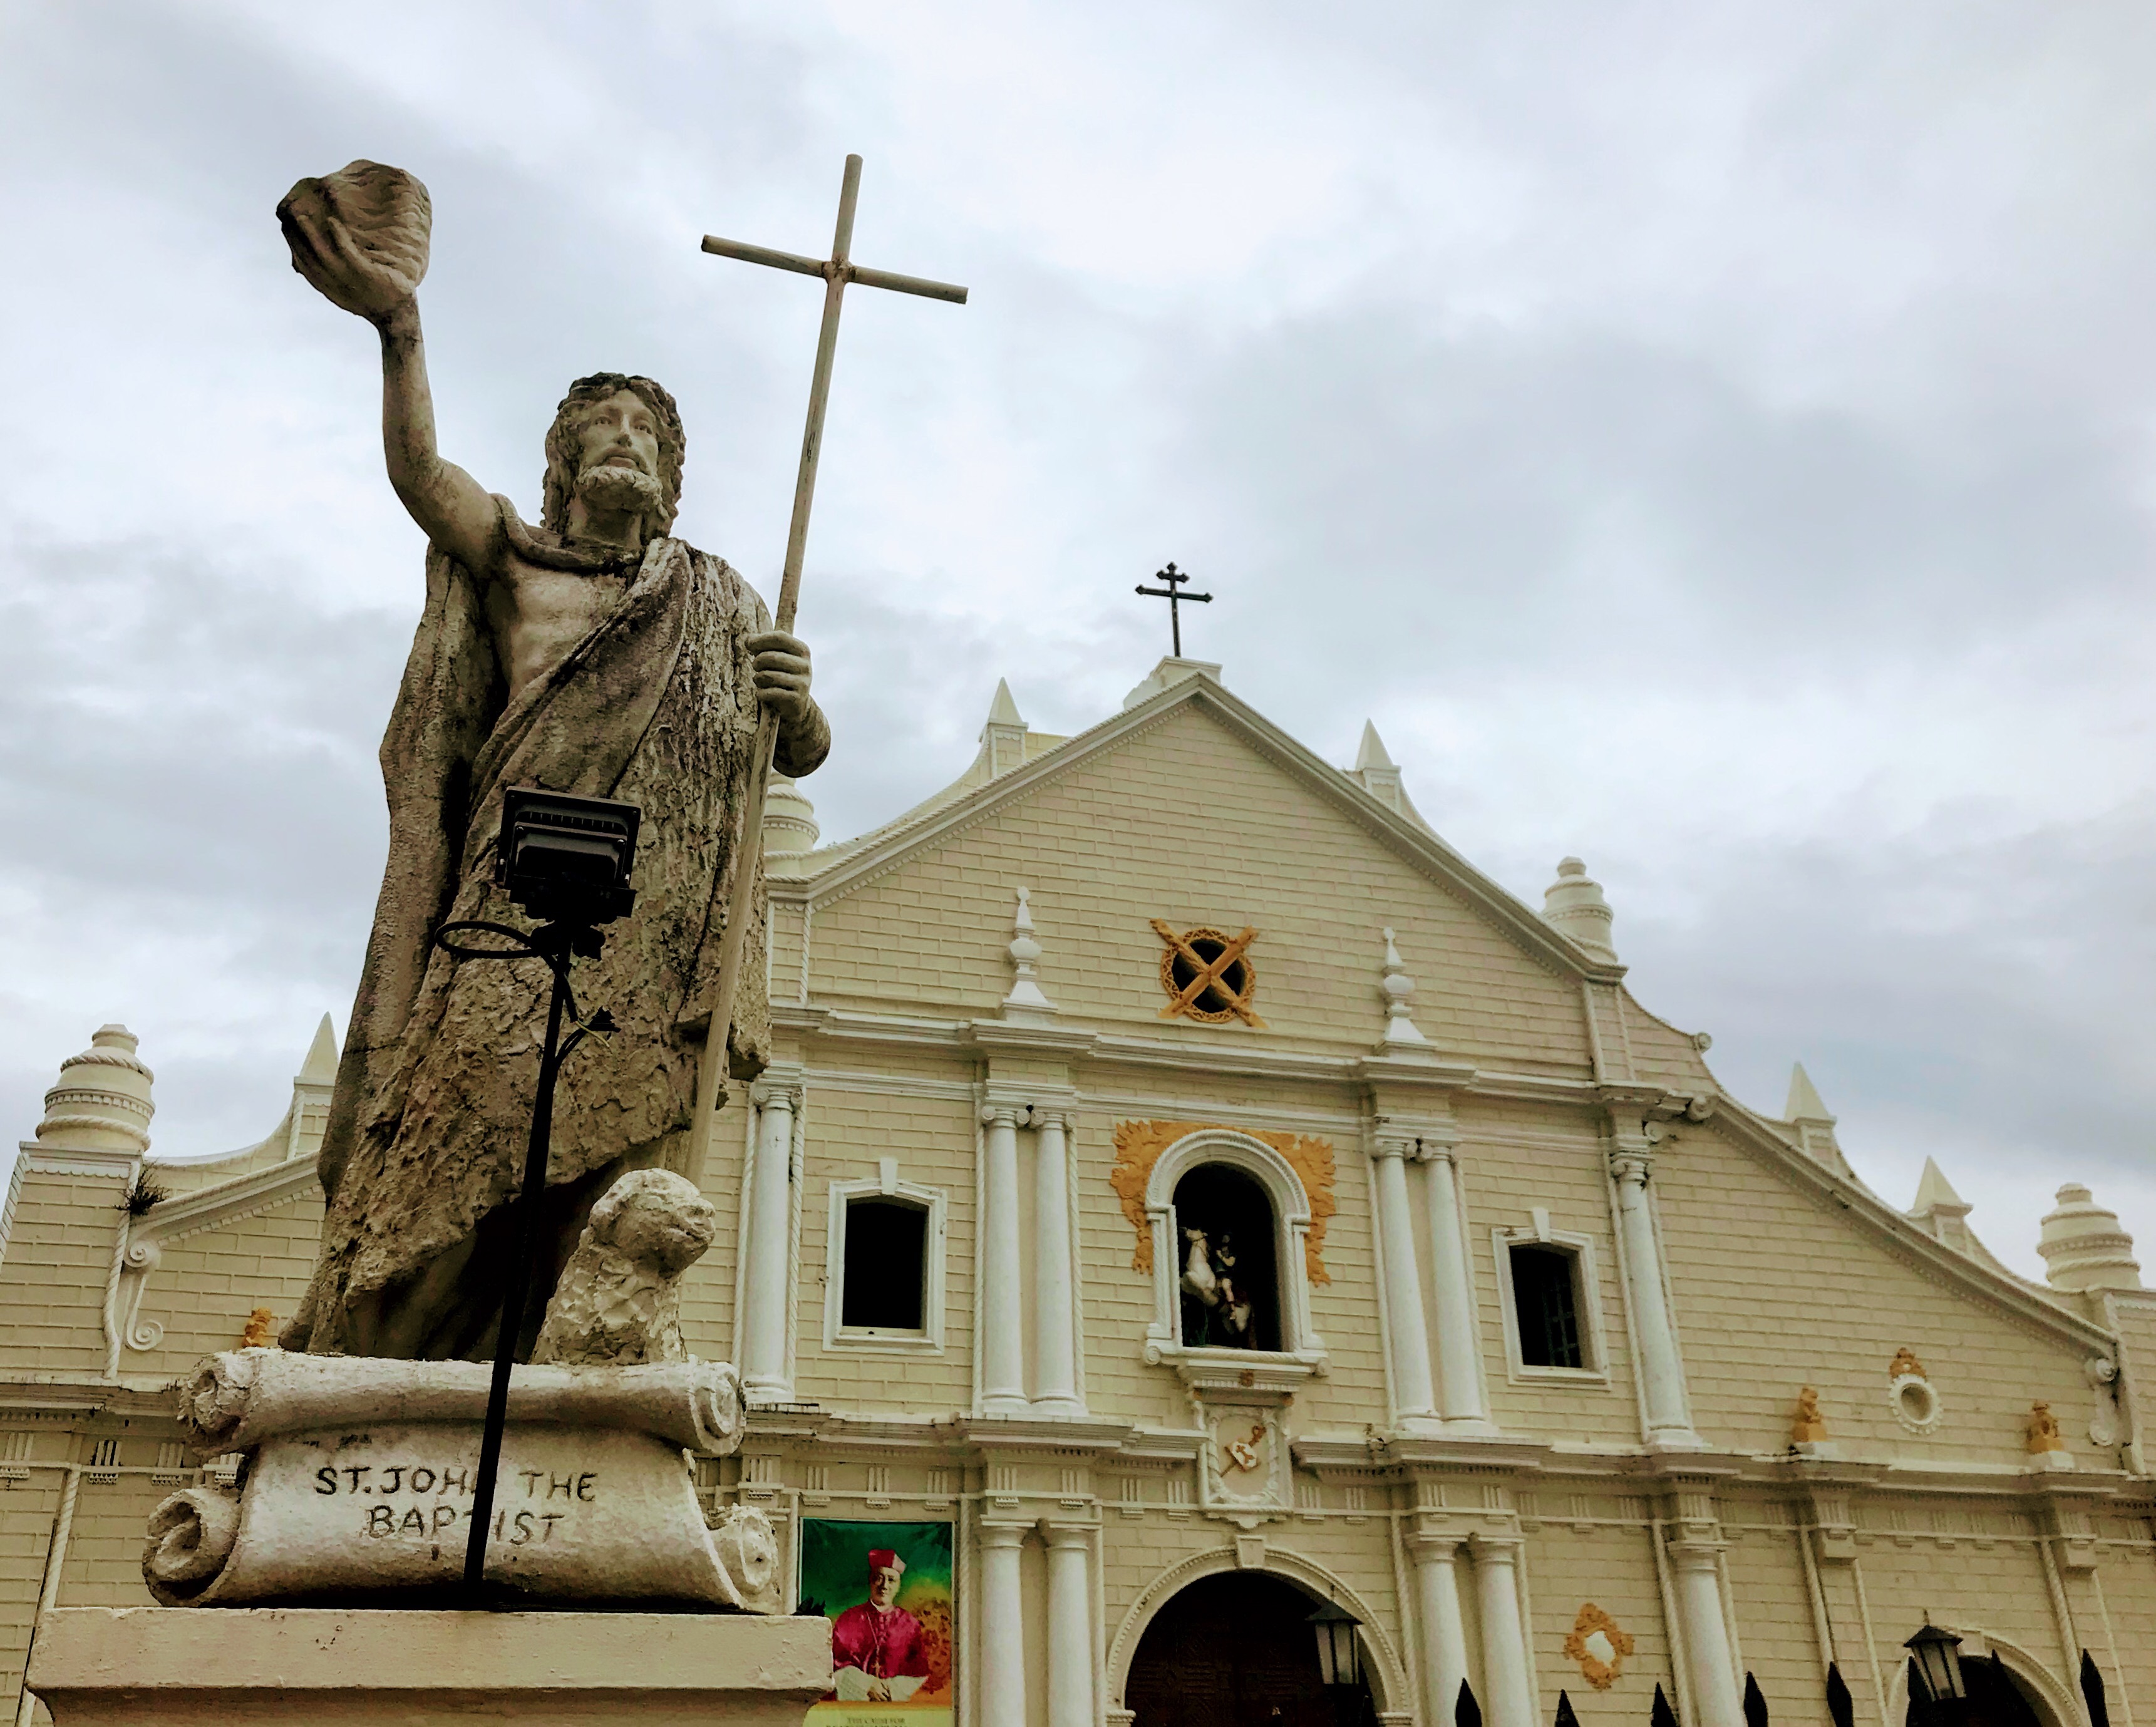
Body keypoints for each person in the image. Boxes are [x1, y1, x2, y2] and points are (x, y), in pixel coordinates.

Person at [271, 163, 830, 1358]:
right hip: (509, 912)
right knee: (452, 1131)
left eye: (645, 432)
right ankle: (381, 1355)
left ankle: (551, 1365)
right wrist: (400, 329)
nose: (623, 443)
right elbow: (421, 478)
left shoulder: (719, 597)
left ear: (670, 477)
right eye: (601, 428)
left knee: (602, 1174)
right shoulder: (520, 564)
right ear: (563, 463)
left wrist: (800, 704)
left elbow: (787, 752)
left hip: (652, 933)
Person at [830, 1549, 931, 1703]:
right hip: (853, 1710)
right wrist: (866, 1686)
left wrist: (891, 1689)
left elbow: (920, 1673)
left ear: (898, 1586)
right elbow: (834, 1667)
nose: (884, 1586)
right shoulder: (849, 1619)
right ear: (870, 1581)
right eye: (879, 1578)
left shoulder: (909, 1624)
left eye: (891, 1580)